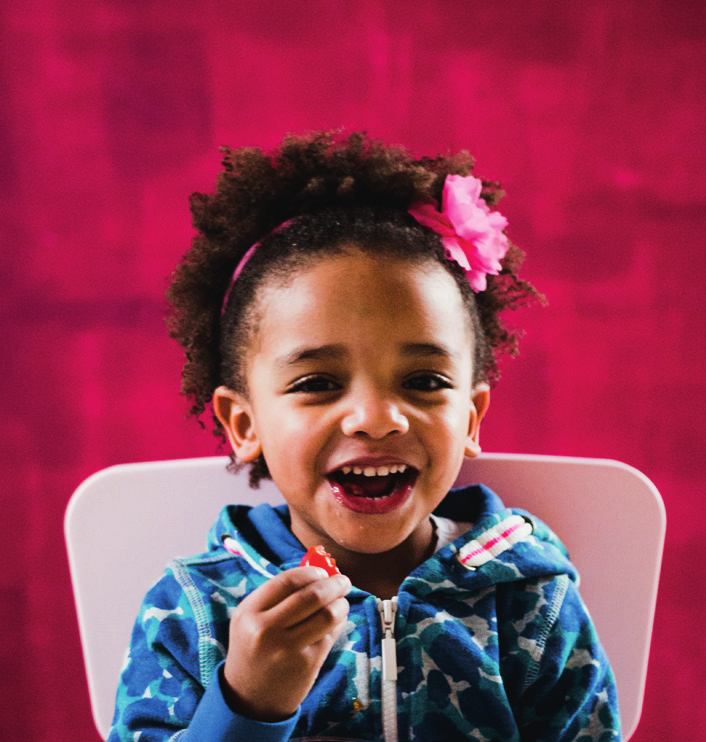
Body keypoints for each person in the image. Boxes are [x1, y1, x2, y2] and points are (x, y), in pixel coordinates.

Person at [108, 131, 621, 742]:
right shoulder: (192, 611)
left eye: (424, 380)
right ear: (244, 425)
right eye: (319, 382)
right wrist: (246, 704)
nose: (377, 419)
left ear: (472, 418)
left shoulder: (528, 600)